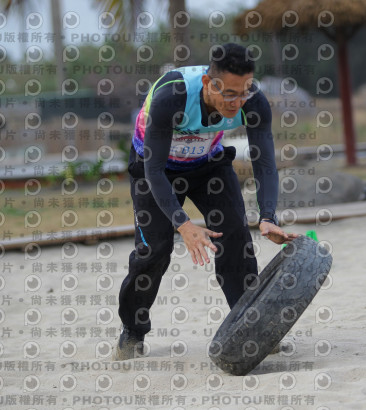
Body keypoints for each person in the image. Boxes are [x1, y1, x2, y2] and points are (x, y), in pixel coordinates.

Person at [115, 43, 298, 360]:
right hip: (154, 168)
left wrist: (268, 216)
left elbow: (265, 164)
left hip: (207, 164)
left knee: (236, 235)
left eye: (243, 92)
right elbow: (153, 171)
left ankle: (250, 328)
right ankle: (132, 332)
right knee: (154, 251)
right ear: (207, 83)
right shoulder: (172, 97)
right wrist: (183, 224)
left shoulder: (253, 101)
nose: (236, 102)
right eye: (229, 94)